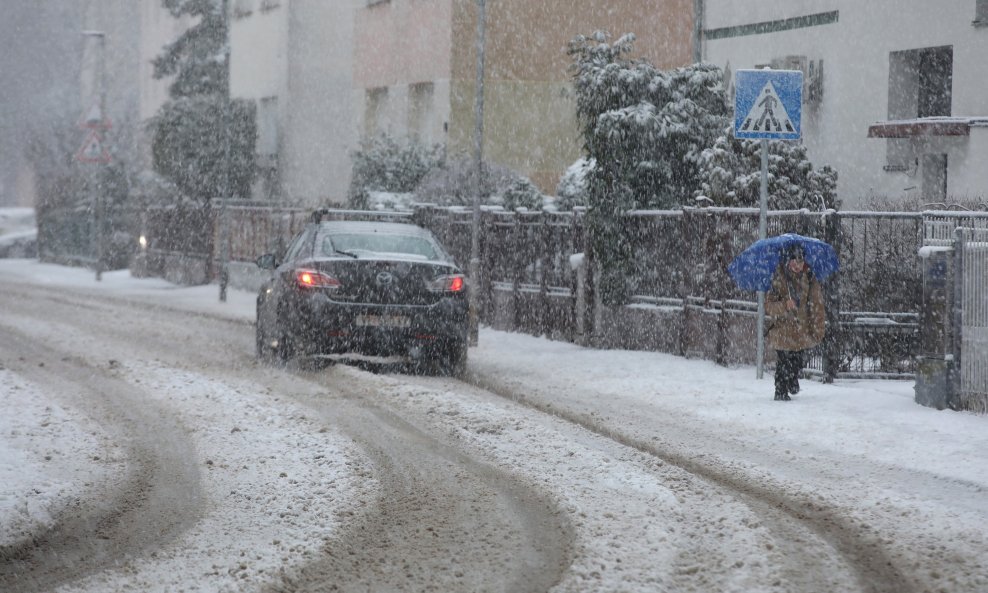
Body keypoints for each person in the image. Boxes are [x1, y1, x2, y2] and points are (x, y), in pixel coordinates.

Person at [765, 244, 826, 401]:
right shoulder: (779, 279)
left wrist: (817, 328)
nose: (797, 266)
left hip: (801, 329)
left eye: (800, 262)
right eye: (794, 262)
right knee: (784, 362)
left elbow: (816, 305)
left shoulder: (810, 278)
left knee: (797, 360)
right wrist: (785, 305)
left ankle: (792, 380)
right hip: (782, 330)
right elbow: (769, 306)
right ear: (788, 262)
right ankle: (780, 391)